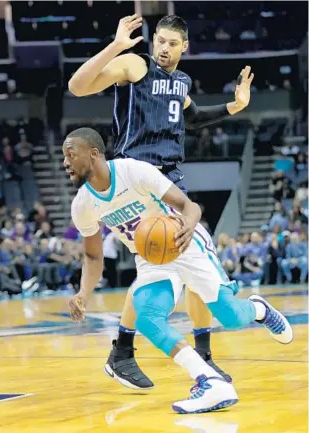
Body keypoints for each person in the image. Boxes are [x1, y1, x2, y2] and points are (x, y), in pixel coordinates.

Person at [68, 14, 254, 390]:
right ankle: (166, 354)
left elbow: (194, 119)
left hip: (166, 181)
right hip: (134, 180)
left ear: (185, 46)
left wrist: (235, 106)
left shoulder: (181, 82)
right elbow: (77, 86)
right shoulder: (137, 66)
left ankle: (135, 352)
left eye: (172, 43)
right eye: (160, 41)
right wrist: (118, 46)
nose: (164, 49)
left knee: (179, 263)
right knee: (182, 260)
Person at [64, 128, 293, 413]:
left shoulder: (132, 171)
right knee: (147, 317)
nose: (65, 162)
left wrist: (186, 228)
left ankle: (259, 309)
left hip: (184, 241)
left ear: (94, 153)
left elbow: (190, 206)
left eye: (70, 154)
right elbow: (92, 257)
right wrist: (83, 294)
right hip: (150, 257)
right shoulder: (83, 205)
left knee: (231, 317)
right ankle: (208, 380)